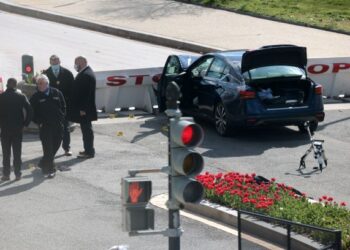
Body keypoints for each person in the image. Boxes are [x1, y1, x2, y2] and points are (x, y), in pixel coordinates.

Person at [30, 74, 65, 178]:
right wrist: (38, 122)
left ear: (47, 83)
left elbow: (63, 106)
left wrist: (62, 117)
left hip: (58, 125)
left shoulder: (57, 93)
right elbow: (31, 112)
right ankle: (50, 169)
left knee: (57, 145)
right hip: (45, 127)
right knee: (48, 149)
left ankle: (43, 162)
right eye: (38, 84)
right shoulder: (36, 97)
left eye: (41, 83)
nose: (39, 85)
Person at [0, 78, 33, 181]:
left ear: (6, 85)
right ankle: (18, 174)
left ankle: (6, 174)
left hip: (4, 128)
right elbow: (30, 110)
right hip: (18, 128)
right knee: (17, 152)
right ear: (15, 86)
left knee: (6, 153)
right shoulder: (21, 96)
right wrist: (26, 123)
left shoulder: (1, 97)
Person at [43, 55, 74, 156]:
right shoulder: (45, 74)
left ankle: (66, 148)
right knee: (51, 129)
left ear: (60, 61)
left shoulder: (67, 73)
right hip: (50, 107)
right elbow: (41, 89)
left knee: (65, 128)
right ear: (50, 62)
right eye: (53, 61)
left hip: (63, 106)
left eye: (56, 61)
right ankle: (51, 150)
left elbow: (72, 90)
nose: (55, 63)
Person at [69, 56, 97, 158]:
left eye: (77, 63)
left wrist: (83, 109)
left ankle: (89, 152)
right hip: (85, 109)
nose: (76, 66)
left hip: (85, 110)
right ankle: (88, 149)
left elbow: (86, 95)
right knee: (86, 130)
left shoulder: (86, 75)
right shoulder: (86, 73)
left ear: (83, 62)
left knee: (87, 131)